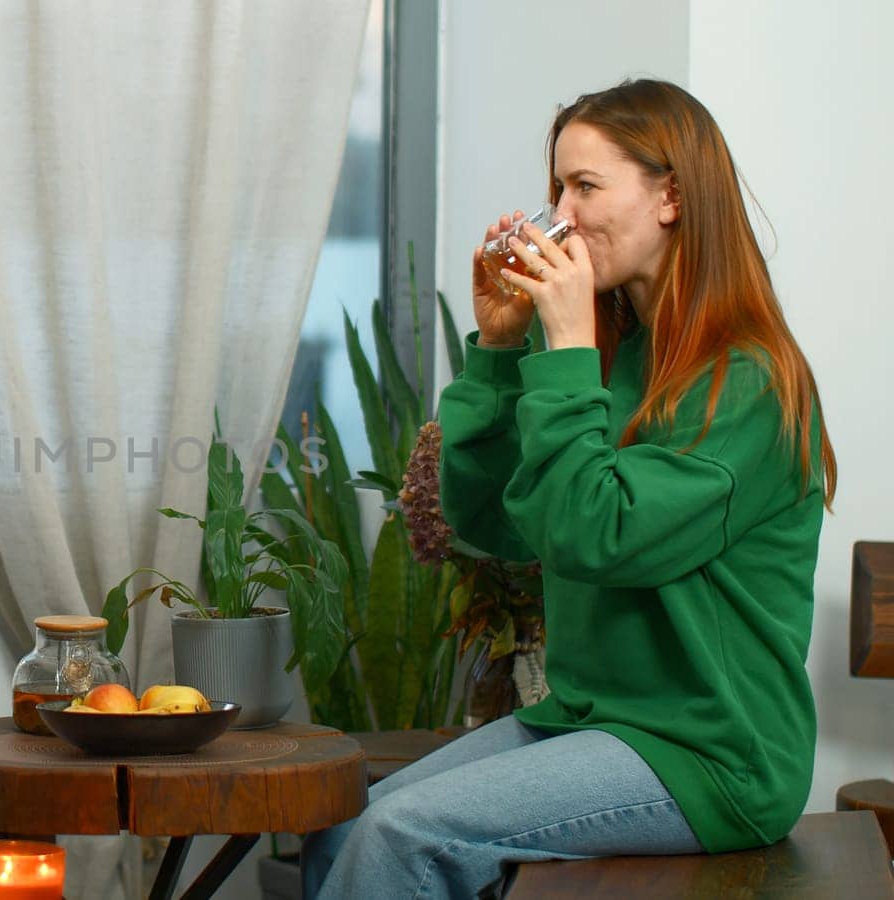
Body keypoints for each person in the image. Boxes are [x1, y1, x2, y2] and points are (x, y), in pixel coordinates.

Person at [302, 79, 836, 899]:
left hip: (707, 756)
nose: (561, 212)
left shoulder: (746, 383)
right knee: (341, 819)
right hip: (589, 720)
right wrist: (498, 346)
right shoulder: (617, 358)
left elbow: (599, 535)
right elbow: (487, 524)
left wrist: (566, 344)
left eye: (585, 186)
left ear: (673, 197)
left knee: (400, 836)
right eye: (558, 187)